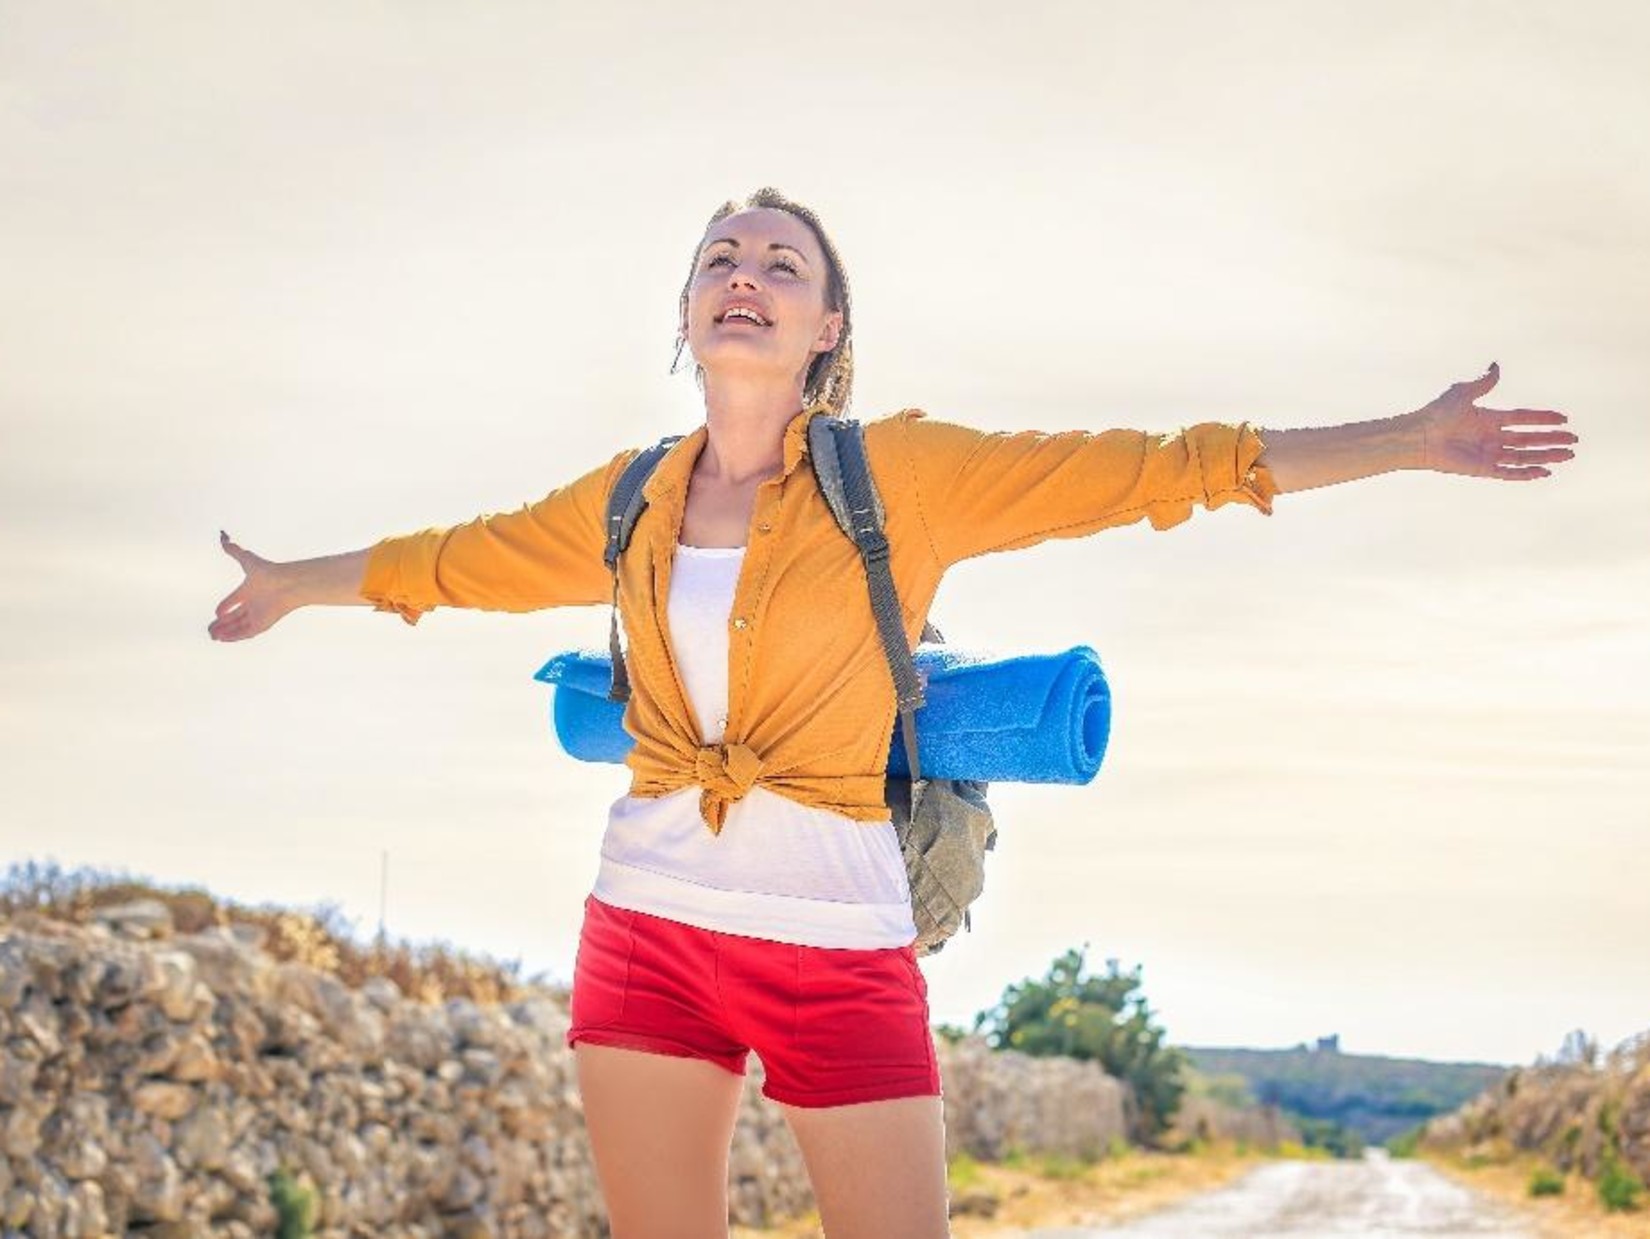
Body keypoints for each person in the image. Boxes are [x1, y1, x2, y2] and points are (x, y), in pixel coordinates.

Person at [208, 187, 1578, 1238]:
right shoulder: (626, 499)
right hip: (646, 933)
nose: (743, 278)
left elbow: (1162, 470)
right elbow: (447, 563)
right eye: (718, 262)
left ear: (825, 328)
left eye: (779, 266)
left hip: (834, 944)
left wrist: (1403, 439)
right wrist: (291, 585)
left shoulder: (903, 475)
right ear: (687, 311)